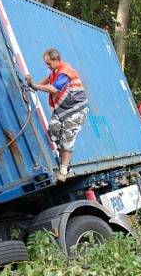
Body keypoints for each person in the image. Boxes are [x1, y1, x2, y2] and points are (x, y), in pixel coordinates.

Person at [26, 48, 89, 182]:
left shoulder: (65, 73)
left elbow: (53, 89)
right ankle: (66, 161)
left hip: (76, 110)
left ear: (56, 60)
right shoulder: (55, 72)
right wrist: (33, 84)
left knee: (67, 140)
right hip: (62, 111)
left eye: (48, 63)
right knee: (53, 129)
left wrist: (36, 87)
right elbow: (46, 81)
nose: (47, 66)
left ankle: (64, 171)